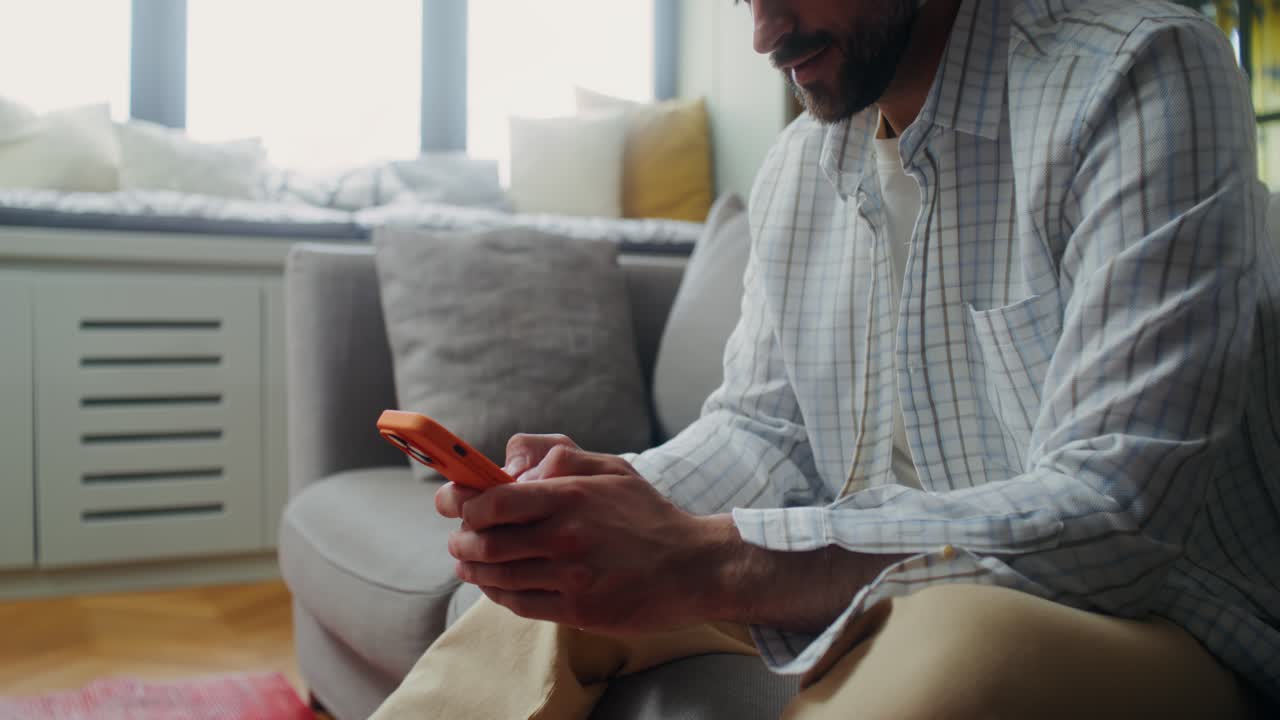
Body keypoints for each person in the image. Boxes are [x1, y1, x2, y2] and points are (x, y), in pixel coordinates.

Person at [374, 0, 1280, 716]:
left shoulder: (1137, 72)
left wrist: (707, 559)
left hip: (1156, 616)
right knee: (548, 606)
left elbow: (1116, 513)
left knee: (956, 642)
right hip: (874, 581)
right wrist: (605, 503)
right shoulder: (798, 167)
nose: (765, 31)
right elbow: (764, 433)